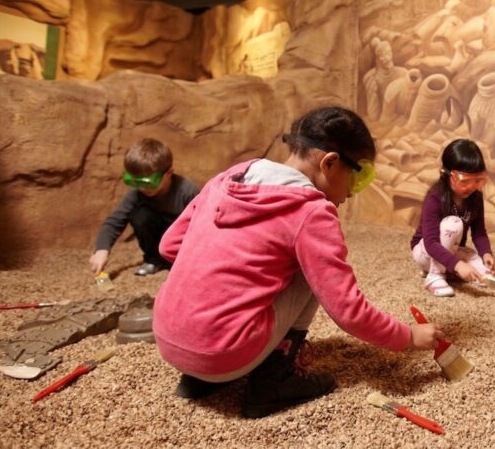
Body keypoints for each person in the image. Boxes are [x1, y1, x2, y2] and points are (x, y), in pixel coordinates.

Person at [152, 106, 443, 419]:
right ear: (329, 163)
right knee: (311, 271)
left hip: (168, 342)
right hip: (224, 354)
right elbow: (348, 310)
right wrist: (407, 336)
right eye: (356, 179)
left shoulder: (231, 176)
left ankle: (197, 378)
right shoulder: (312, 212)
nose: (350, 194)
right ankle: (273, 381)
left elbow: (169, 246)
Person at [89, 138, 198, 277]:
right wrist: (101, 250)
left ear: (168, 173)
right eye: (134, 181)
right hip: (157, 235)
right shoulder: (136, 194)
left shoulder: (187, 191)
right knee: (140, 215)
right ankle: (154, 260)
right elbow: (114, 221)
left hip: (181, 238)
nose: (141, 188)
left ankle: (180, 262)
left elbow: (202, 226)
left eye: (147, 182)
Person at [411, 139, 495, 297]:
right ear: (447, 174)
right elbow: (431, 243)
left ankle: (449, 270)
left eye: (477, 181)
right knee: (453, 224)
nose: (471, 187)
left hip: (453, 248)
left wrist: (486, 253)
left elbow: (479, 232)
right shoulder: (435, 197)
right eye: (464, 181)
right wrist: (458, 265)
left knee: (486, 274)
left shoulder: (475, 197)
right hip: (425, 251)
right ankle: (434, 275)